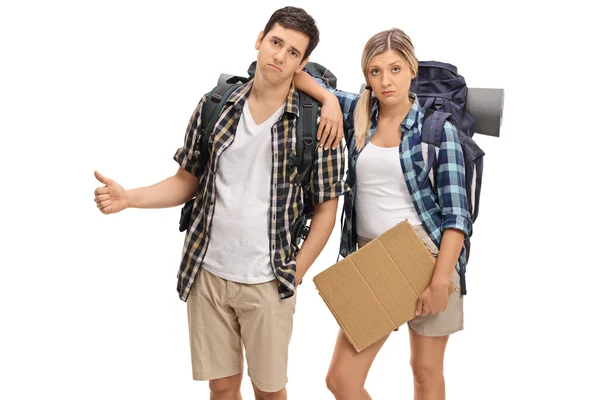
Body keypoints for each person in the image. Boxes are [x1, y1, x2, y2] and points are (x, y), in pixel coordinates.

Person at [93, 7, 349, 400]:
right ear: (260, 39)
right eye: (275, 42)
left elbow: (327, 211)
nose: (279, 56)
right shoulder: (215, 104)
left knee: (268, 390)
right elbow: (186, 181)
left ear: (303, 62)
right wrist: (129, 198)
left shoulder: (317, 126)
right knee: (222, 386)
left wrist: (294, 272)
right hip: (207, 272)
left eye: (292, 52)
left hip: (268, 279)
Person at [294, 27, 472, 400]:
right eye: (375, 72)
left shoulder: (438, 129)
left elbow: (457, 216)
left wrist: (440, 281)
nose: (385, 81)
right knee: (342, 380)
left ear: (412, 69)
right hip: (373, 257)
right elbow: (300, 76)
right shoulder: (359, 114)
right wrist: (327, 100)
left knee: (425, 371)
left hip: (428, 257)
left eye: (394, 69)